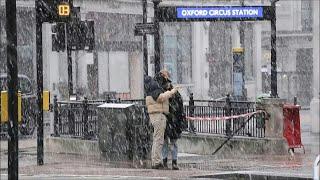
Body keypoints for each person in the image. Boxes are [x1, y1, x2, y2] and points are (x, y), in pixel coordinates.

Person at [144, 75, 179, 169]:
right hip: (159, 116)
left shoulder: (149, 92)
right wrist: (172, 91)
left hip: (155, 116)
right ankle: (157, 162)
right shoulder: (155, 90)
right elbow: (161, 97)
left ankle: (155, 160)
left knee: (156, 140)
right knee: (159, 140)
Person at [154, 70, 187, 170]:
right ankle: (169, 161)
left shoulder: (169, 91)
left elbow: (178, 105)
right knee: (167, 142)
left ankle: (171, 162)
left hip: (171, 119)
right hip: (168, 119)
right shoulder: (163, 91)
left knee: (170, 142)